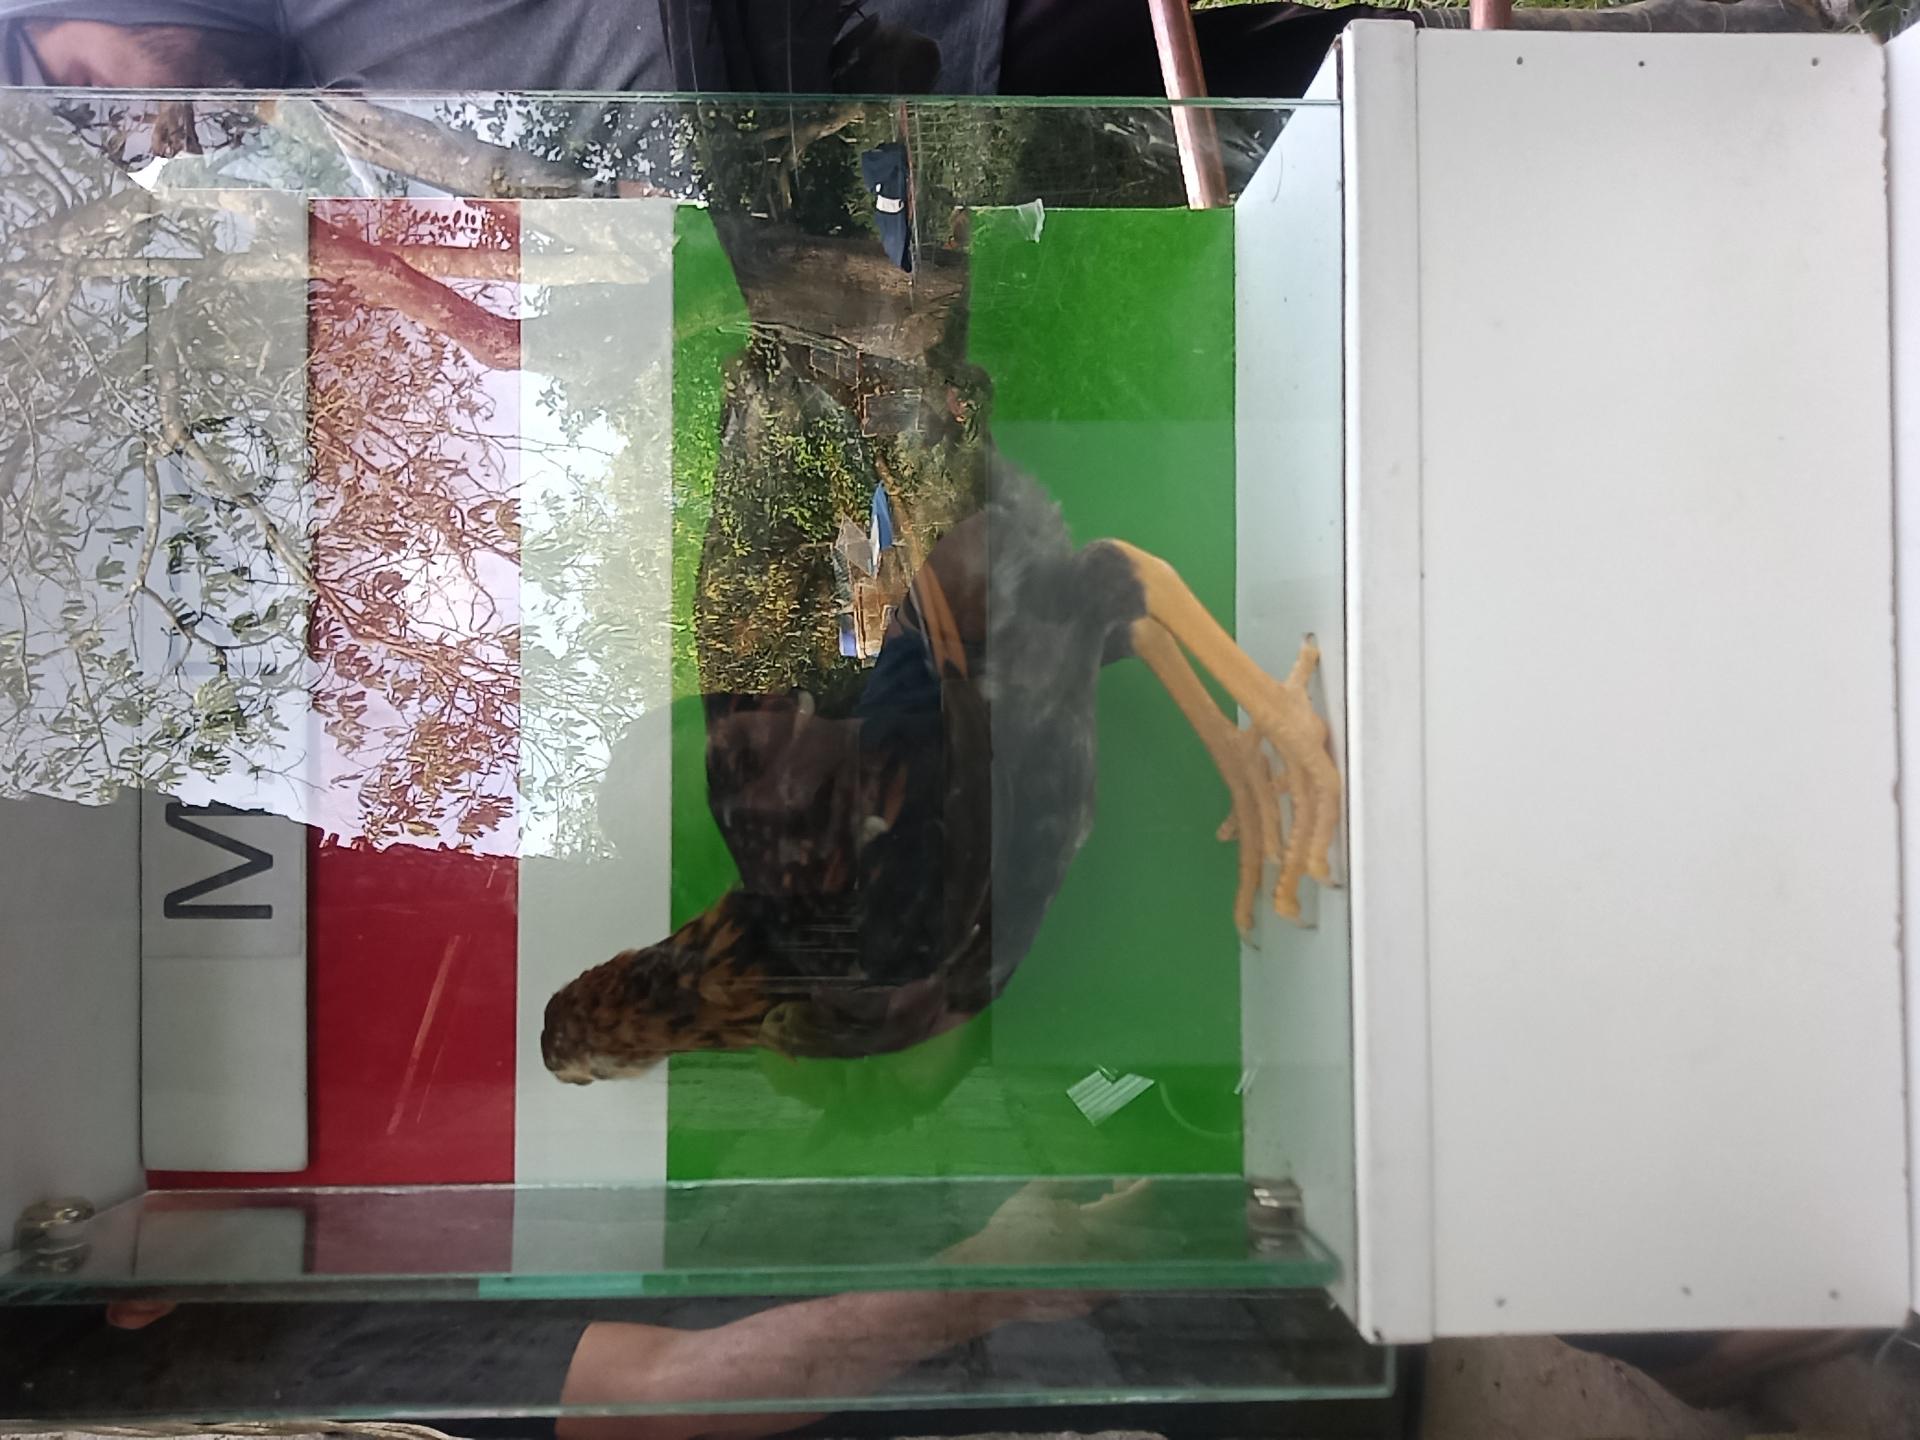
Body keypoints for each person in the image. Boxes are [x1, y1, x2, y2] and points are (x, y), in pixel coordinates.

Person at [15, 1181, 1156, 1440]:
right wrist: (995, 1275)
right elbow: (670, 1395)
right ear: (132, 1304)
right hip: (1047, 1363)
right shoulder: (283, 1359)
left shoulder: (272, 1331)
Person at [0, 0, 1852, 97]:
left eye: (74, 84)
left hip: (935, 17)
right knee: (1340, 101)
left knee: (1329, 49)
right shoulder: (311, 197)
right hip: (916, 162)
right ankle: (1778, 64)